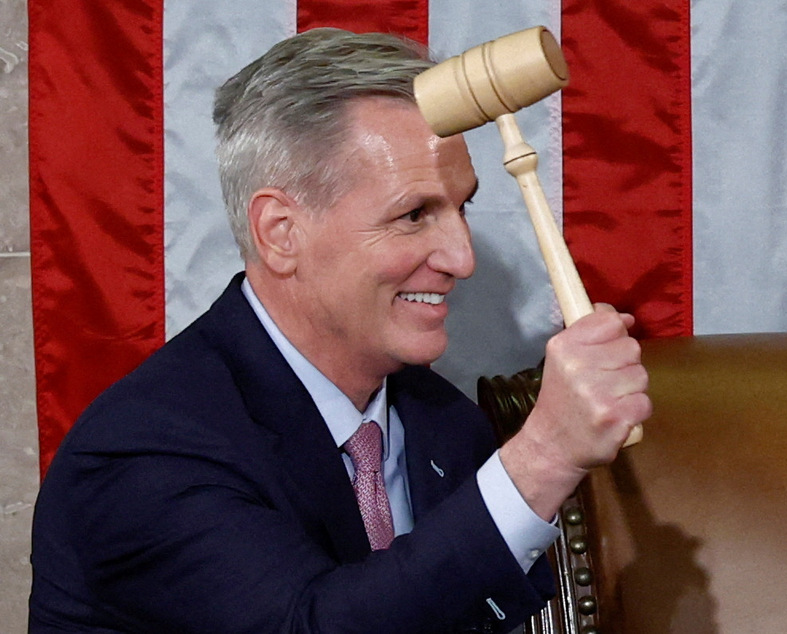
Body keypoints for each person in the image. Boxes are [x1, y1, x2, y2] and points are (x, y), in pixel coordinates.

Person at [29, 28, 651, 633]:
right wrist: (542, 456)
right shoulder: (143, 450)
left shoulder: (445, 424)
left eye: (459, 208)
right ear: (281, 233)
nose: (462, 259)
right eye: (414, 215)